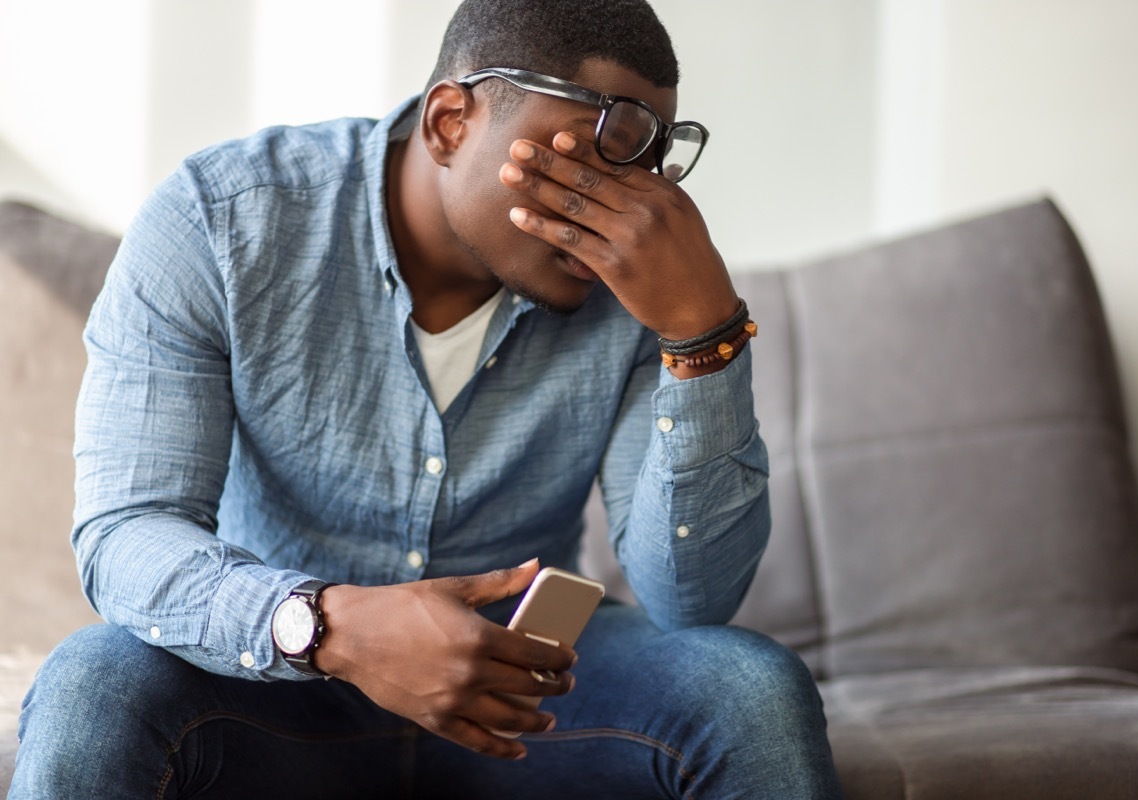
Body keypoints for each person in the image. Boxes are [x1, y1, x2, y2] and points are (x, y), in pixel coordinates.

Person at [11, 1, 843, 797]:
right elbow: (126, 533)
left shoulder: (636, 281)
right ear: (452, 123)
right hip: (275, 680)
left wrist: (703, 338)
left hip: (524, 693)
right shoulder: (221, 222)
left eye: (649, 160)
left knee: (752, 690)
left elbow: (692, 602)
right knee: (95, 683)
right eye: (588, 155)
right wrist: (326, 626)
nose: (626, 205)